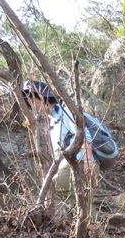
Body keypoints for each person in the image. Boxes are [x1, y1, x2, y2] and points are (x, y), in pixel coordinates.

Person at [21, 80, 100, 212]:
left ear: (43, 97)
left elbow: (84, 135)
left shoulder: (64, 111)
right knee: (84, 206)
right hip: (73, 164)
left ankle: (58, 230)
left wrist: (88, 162)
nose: (30, 103)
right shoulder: (52, 120)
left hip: (80, 162)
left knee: (53, 190)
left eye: (32, 98)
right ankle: (89, 230)